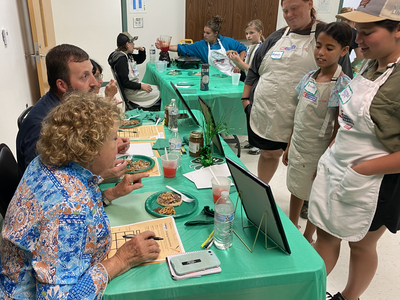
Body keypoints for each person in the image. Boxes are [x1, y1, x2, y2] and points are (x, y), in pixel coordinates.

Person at [0, 92, 161, 299]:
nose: (117, 145)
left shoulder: (45, 162)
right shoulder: (70, 209)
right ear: (91, 148)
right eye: (113, 138)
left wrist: (110, 194)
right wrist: (121, 260)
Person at [309, 1, 400, 299]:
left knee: (361, 244)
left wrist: (359, 171)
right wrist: (331, 155)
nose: (358, 39)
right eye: (357, 31)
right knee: (326, 232)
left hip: (376, 180)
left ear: (398, 30)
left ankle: (349, 297)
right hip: (340, 166)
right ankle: (307, 291)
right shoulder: (370, 63)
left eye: (368, 32)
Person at [241, 0, 353, 185]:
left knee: (306, 163)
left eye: (294, 8)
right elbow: (254, 69)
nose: (289, 14)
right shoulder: (276, 37)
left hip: (310, 119)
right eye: (285, 10)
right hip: (270, 114)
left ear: (309, 4)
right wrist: (245, 99)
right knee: (268, 154)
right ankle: (262, 191)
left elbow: (344, 79)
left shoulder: (326, 35)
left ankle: (305, 199)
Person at [282, 22, 352, 243]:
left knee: (314, 194)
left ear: (343, 51)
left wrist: (327, 159)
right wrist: (289, 143)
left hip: (319, 150)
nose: (321, 52)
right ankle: (292, 226)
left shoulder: (342, 85)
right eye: (318, 46)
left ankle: (308, 235)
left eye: (329, 48)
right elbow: (298, 114)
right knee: (296, 186)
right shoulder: (308, 78)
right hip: (299, 143)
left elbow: (340, 129)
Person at [16, 44, 129, 181]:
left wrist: (108, 145)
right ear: (62, 85)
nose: (94, 82)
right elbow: (45, 185)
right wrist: (99, 177)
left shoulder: (70, 110)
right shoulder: (42, 126)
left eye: (92, 73)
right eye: (84, 77)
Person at [155, 15, 247, 76]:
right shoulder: (201, 46)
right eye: (204, 32)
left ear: (216, 33)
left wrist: (239, 64)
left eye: (208, 33)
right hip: (213, 77)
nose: (204, 35)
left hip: (231, 76)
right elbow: (181, 48)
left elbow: (243, 49)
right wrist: (164, 47)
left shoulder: (227, 42)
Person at [228, 19, 265, 155]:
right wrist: (235, 61)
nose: (248, 36)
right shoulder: (250, 48)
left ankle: (259, 145)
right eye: (246, 33)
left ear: (260, 33)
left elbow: (254, 70)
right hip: (249, 84)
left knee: (257, 115)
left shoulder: (262, 49)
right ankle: (251, 140)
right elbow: (245, 68)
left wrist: (239, 61)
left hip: (258, 86)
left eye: (251, 33)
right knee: (249, 114)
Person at [108, 32, 160, 109]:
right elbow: (125, 82)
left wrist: (142, 50)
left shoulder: (126, 55)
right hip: (131, 91)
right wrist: (141, 86)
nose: (134, 44)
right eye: (132, 42)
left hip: (133, 87)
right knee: (160, 92)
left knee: (158, 88)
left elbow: (139, 59)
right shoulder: (121, 59)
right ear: (127, 44)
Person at [339, 7, 364, 75]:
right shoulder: (354, 33)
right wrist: (351, 65)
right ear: (354, 22)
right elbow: (360, 57)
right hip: (340, 70)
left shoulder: (332, 29)